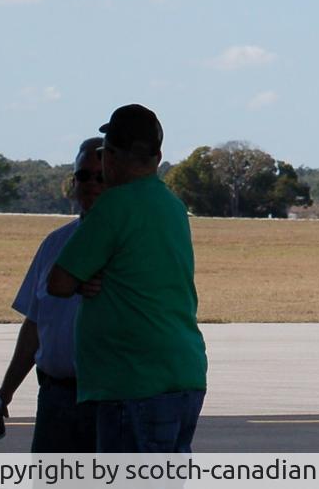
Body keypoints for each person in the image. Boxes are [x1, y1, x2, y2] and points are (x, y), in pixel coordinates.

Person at [47, 104, 207, 453]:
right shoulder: (172, 205)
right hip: (182, 372)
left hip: (133, 380)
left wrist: (85, 278)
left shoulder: (114, 205)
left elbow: (58, 283)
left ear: (112, 158)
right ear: (157, 156)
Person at [0, 138, 107, 451]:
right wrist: (5, 393)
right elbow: (35, 325)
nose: (92, 184)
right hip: (55, 397)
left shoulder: (132, 244)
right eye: (84, 176)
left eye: (101, 177)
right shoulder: (55, 244)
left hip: (108, 401)